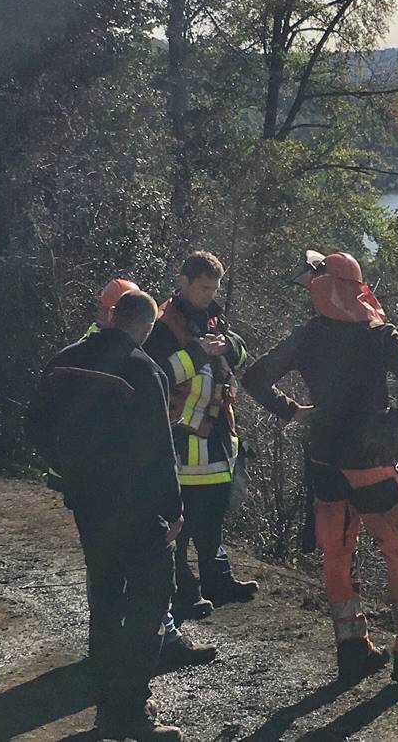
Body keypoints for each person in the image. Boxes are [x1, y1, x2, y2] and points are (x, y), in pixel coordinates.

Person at [243, 250, 398, 682]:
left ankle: (352, 648)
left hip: (324, 458)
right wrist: (395, 421)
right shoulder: (380, 334)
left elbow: (253, 378)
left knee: (337, 552)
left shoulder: (308, 335)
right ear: (358, 287)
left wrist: (293, 411)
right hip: (370, 463)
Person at [25, 284, 185, 742]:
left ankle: (105, 695)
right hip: (134, 506)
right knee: (151, 598)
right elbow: (159, 448)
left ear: (113, 316)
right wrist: (173, 508)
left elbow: (35, 424)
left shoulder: (64, 361)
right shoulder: (143, 370)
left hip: (87, 501)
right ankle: (129, 710)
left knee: (106, 590)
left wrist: (67, 465)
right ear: (147, 326)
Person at [87, 279, 218, 669]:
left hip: (91, 489)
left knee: (106, 576)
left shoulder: (79, 353)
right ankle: (154, 651)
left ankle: (107, 654)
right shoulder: (135, 364)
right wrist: (171, 504)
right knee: (147, 573)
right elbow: (154, 441)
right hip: (129, 490)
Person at [144, 252, 260, 619]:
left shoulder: (212, 315)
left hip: (217, 436)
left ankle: (218, 580)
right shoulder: (163, 325)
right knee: (180, 521)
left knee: (213, 516)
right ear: (183, 282)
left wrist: (229, 346)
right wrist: (198, 352)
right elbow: (157, 373)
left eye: (215, 287)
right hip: (182, 439)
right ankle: (182, 592)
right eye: (205, 287)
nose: (211, 294)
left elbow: (238, 349)